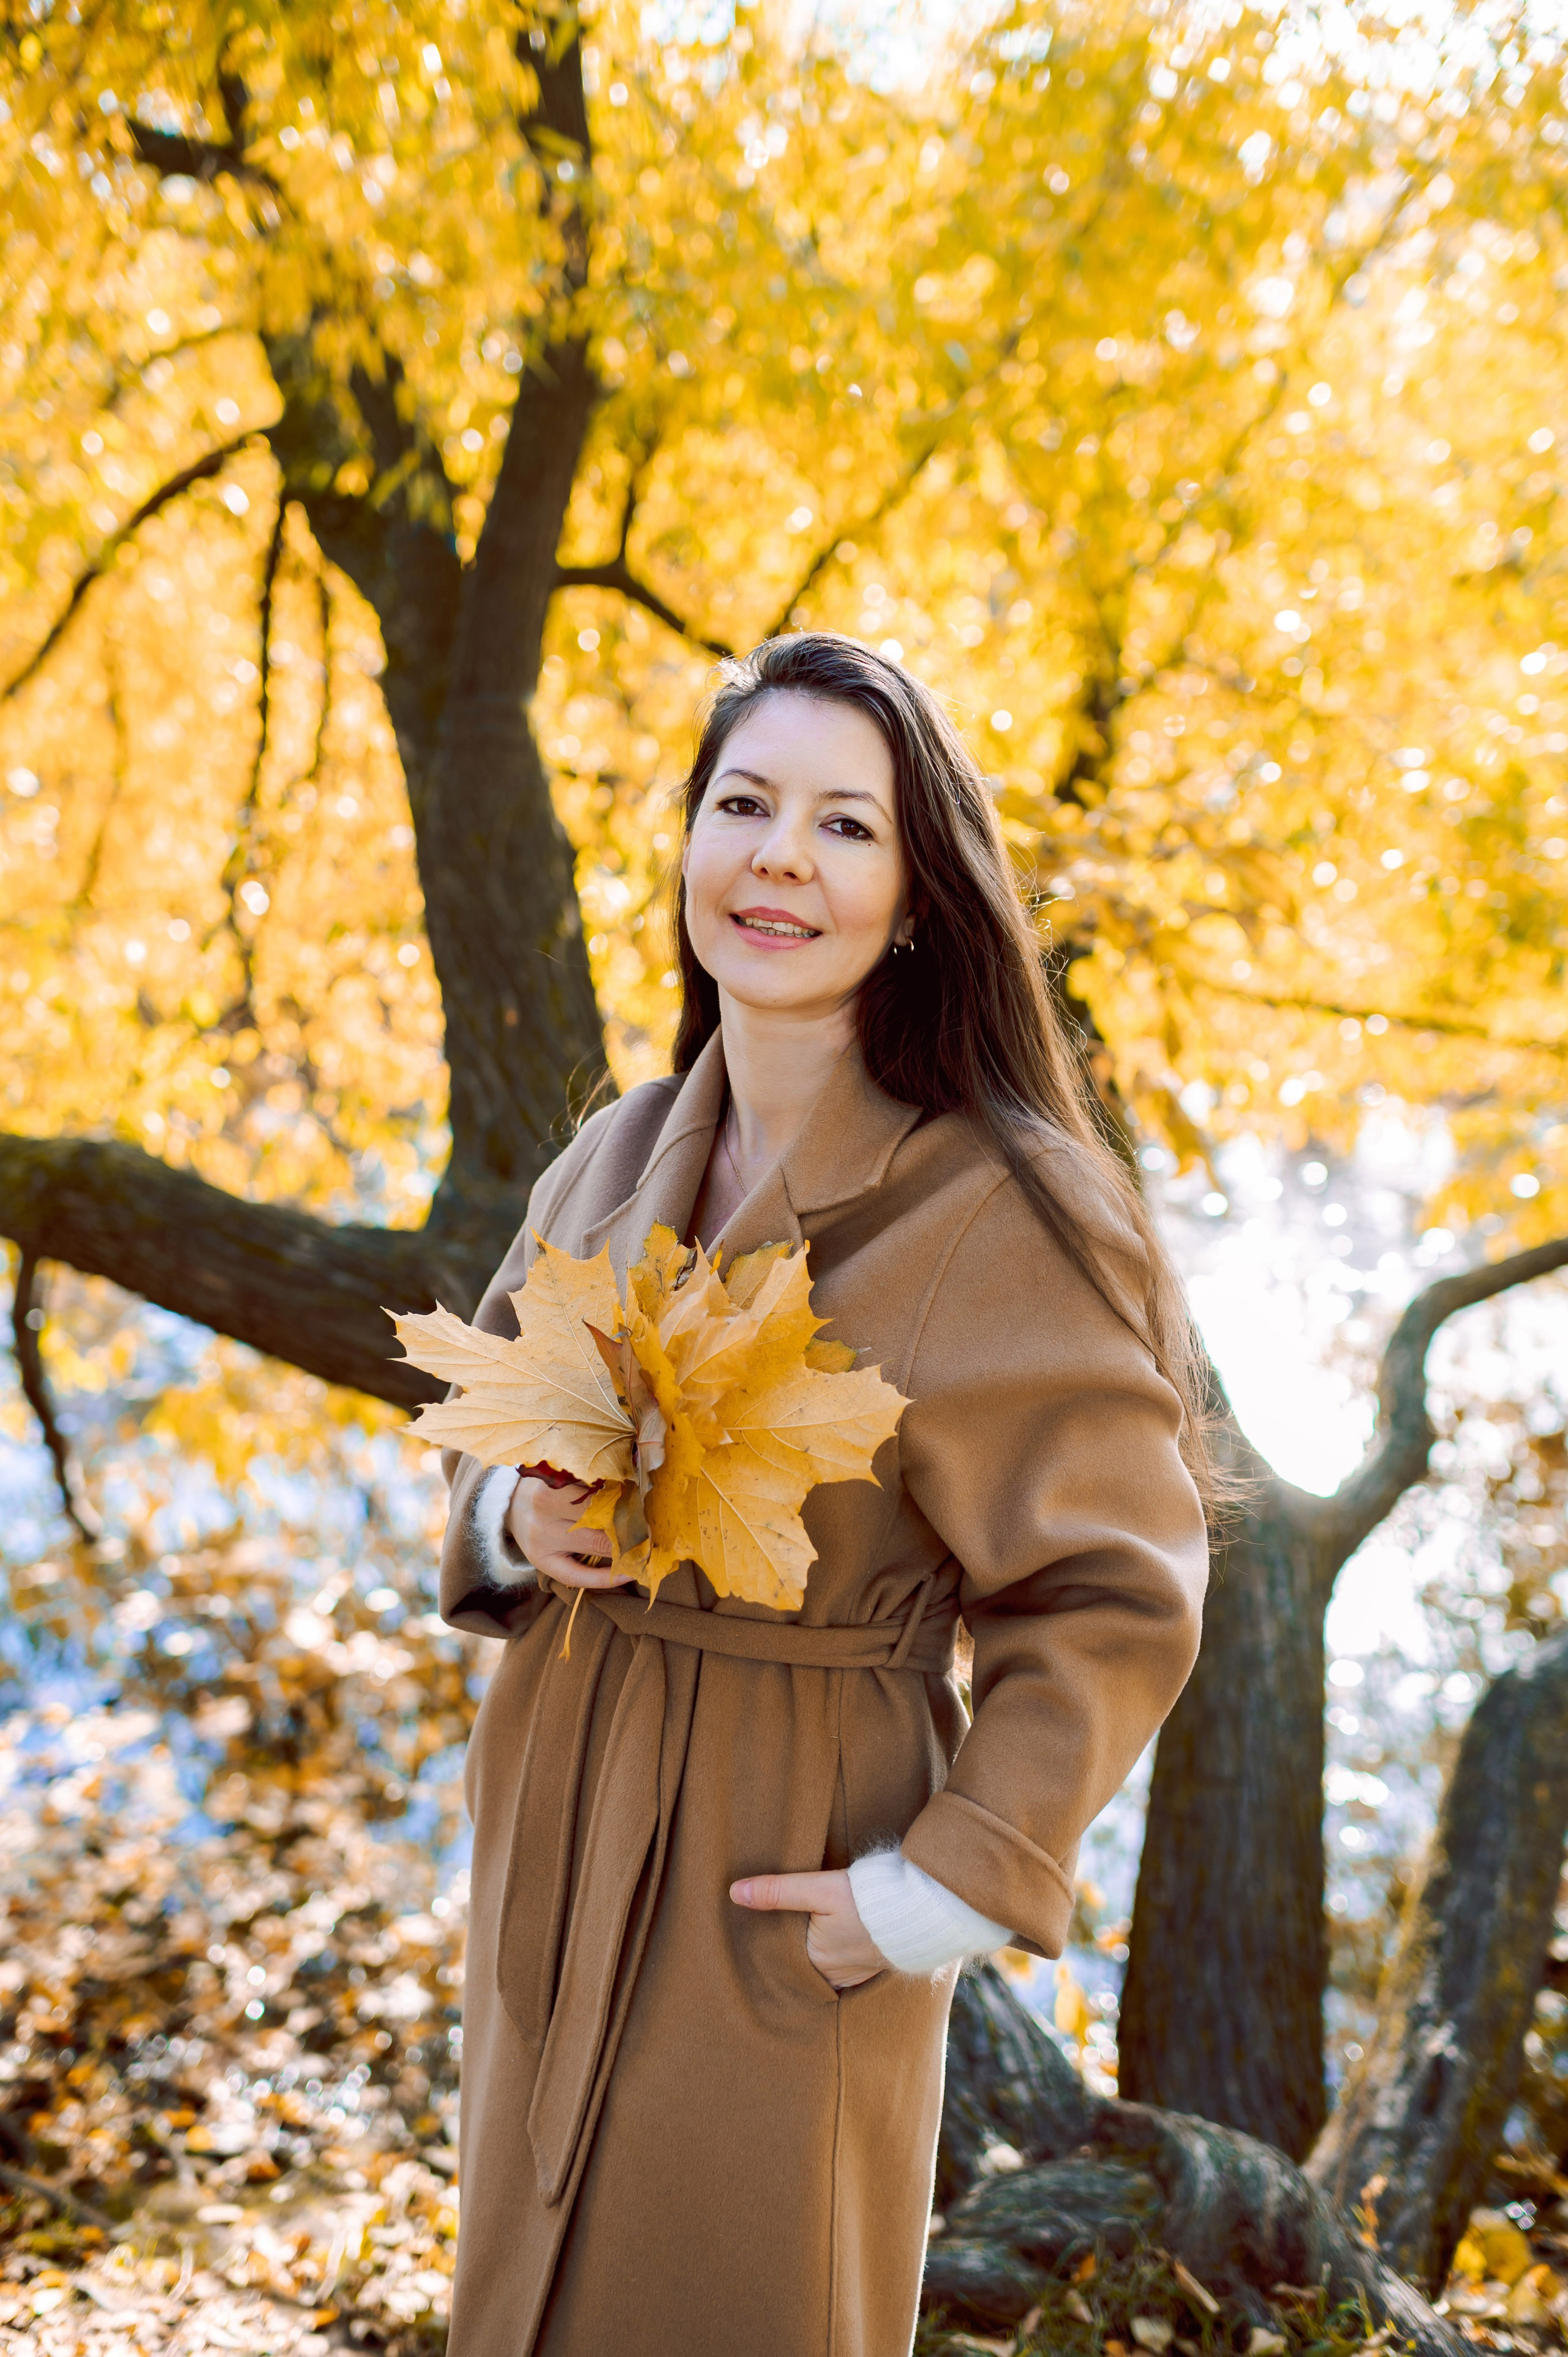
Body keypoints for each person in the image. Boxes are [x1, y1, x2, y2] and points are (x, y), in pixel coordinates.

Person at [435, 633, 1210, 2357]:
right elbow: (483, 1422)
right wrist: (515, 1521)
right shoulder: (615, 1151)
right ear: (692, 848)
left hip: (784, 1871)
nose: (781, 856)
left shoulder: (1004, 1206)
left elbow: (1115, 1595)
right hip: (557, 1826)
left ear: (921, 893)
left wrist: (935, 1889)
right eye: (744, 804)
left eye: (846, 825)